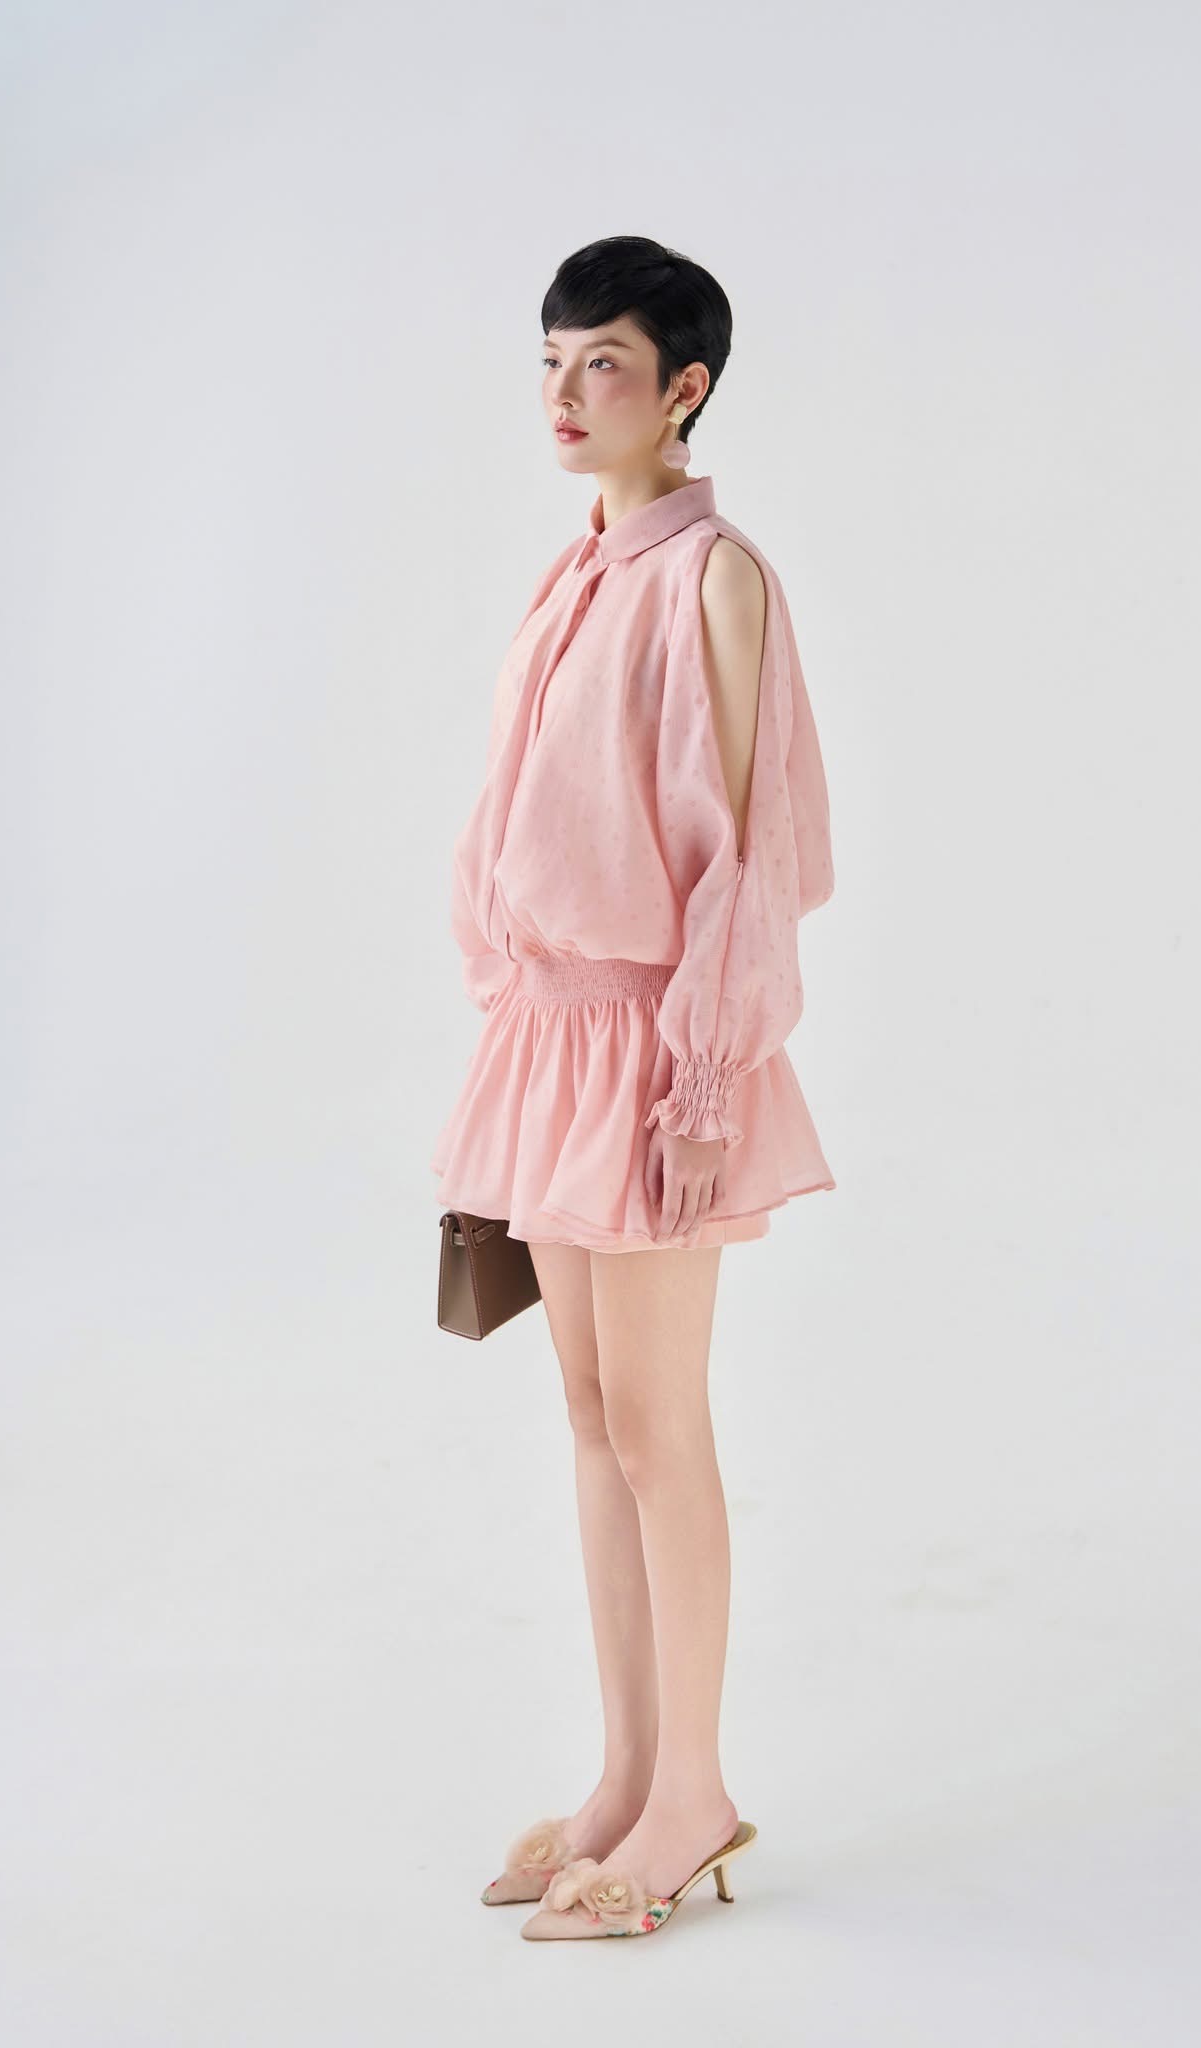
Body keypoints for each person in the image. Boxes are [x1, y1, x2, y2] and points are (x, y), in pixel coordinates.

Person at [431, 235, 836, 1940]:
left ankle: (695, 1797)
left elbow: (748, 855)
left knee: (661, 1425)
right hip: (555, 1037)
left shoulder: (715, 577)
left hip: (662, 1048)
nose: (562, 393)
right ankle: (624, 1774)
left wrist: (703, 1079)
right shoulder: (571, 572)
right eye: (549, 361)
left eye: (598, 362)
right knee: (593, 1420)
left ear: (683, 390)